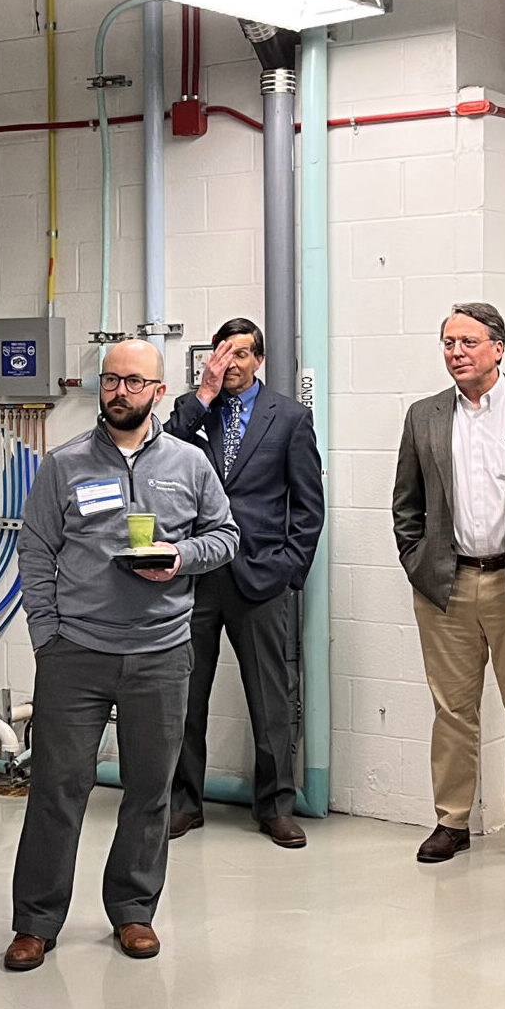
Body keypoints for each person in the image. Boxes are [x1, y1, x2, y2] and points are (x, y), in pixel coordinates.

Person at [4, 340, 239, 971]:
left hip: (161, 653)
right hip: (75, 653)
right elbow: (35, 551)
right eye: (111, 380)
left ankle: (134, 911)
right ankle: (36, 921)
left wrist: (180, 559)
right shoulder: (64, 464)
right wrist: (47, 637)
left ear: (159, 391)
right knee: (57, 786)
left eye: (135, 382)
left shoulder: (189, 464)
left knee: (149, 790)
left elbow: (226, 536)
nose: (120, 391)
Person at [391, 303, 505, 869]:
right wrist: (415, 560)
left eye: (468, 342)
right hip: (446, 586)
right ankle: (451, 820)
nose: (456, 353)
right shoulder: (424, 416)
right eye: (448, 343)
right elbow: (407, 503)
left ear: (498, 347)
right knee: (452, 711)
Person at [165, 318, 326, 848]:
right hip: (196, 572)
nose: (228, 363)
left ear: (259, 360)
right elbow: (162, 449)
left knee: (270, 697)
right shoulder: (195, 412)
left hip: (261, 576)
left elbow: (308, 506)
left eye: (239, 354)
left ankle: (275, 805)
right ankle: (185, 802)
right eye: (220, 353)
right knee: (186, 695)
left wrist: (289, 571)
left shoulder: (290, 418)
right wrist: (203, 393)